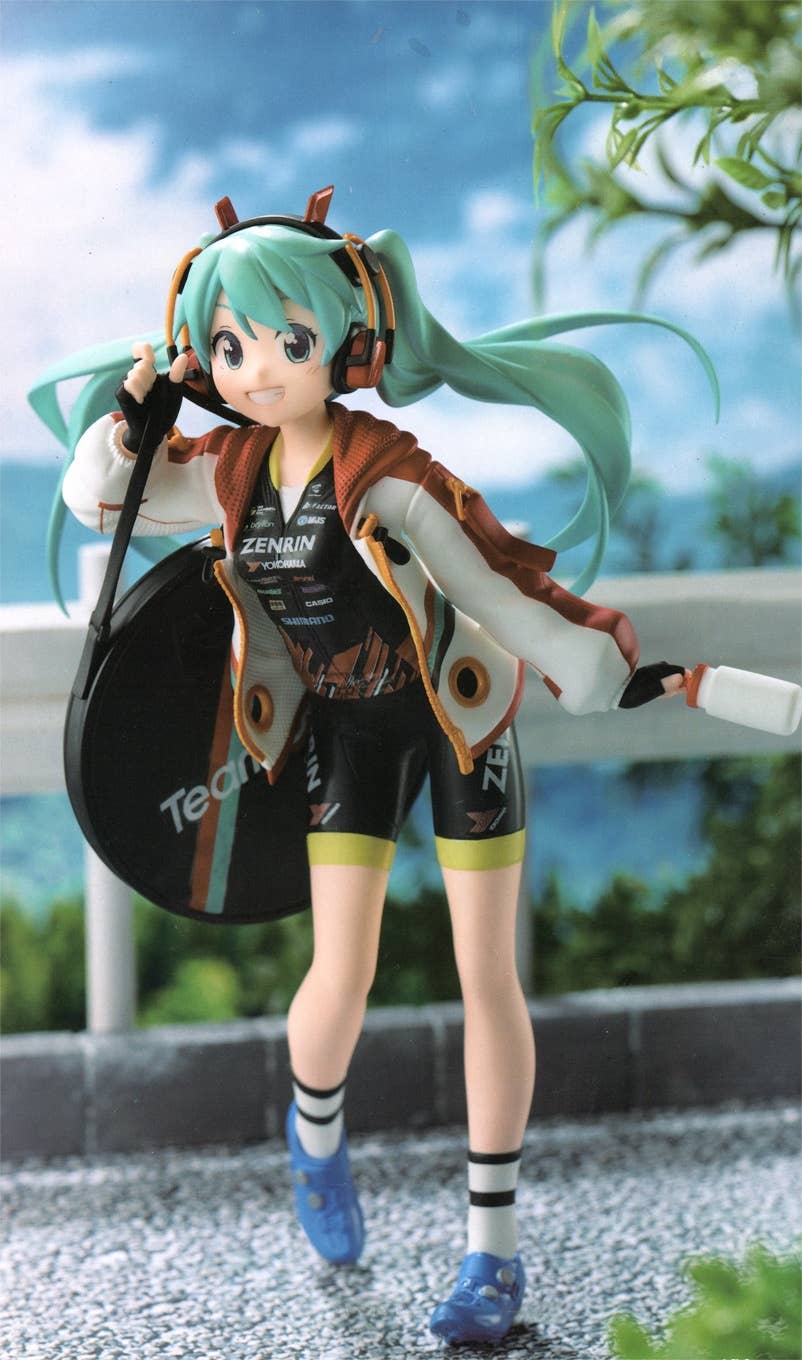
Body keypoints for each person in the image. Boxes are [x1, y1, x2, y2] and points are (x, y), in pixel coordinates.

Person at [29, 186, 715, 1345]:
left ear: (346, 339)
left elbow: (495, 589)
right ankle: (315, 1137)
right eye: (231, 347)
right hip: (344, 732)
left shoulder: (387, 474)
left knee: (485, 975)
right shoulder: (228, 471)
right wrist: (137, 410)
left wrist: (592, 665)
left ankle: (492, 1250)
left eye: (286, 341)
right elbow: (101, 496)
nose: (258, 368)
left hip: (458, 720)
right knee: (340, 968)